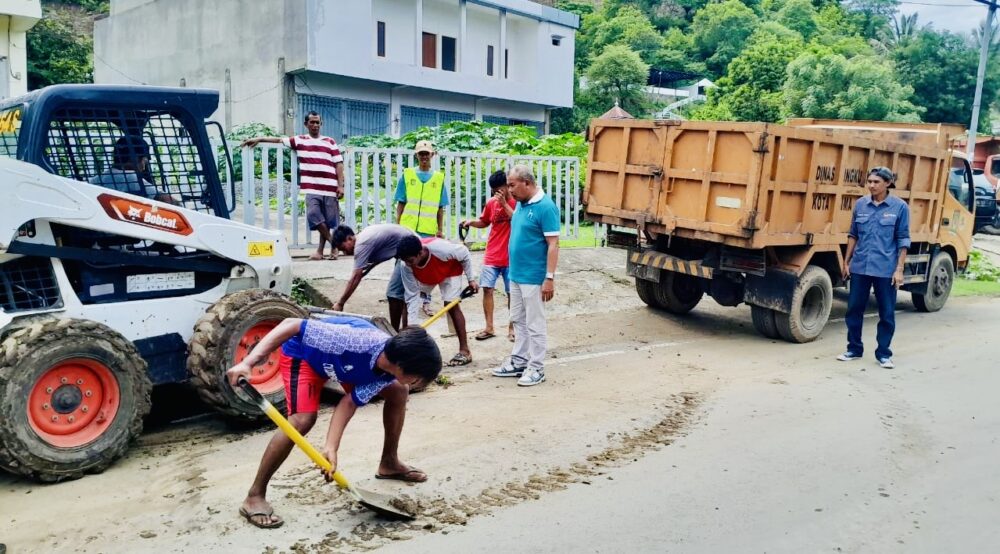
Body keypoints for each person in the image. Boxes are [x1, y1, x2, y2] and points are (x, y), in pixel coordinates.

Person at [226, 316, 442, 529]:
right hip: (306, 357)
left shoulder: (385, 374)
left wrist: (330, 447)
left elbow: (348, 403)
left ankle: (389, 463)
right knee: (302, 420)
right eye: (417, 379)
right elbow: (291, 325)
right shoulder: (356, 340)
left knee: (398, 391)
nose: (417, 384)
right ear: (401, 366)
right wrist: (248, 363)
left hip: (345, 367)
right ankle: (254, 496)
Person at [242, 112, 345, 261]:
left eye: (317, 122)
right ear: (306, 124)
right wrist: (259, 138)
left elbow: (339, 164)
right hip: (312, 187)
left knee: (327, 221)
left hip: (329, 187)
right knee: (314, 215)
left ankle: (320, 251)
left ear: (320, 124)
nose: (315, 125)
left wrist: (340, 186)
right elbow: (278, 140)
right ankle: (334, 245)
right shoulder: (300, 140)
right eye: (312, 122)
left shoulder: (329, 141)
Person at [492, 165, 560, 387]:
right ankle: (519, 361)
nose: (509, 190)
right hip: (517, 275)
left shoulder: (545, 207)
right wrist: (504, 206)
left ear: (527, 183)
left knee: (534, 324)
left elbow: (553, 244)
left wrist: (549, 277)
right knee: (518, 320)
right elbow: (520, 222)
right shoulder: (522, 204)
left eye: (512, 185)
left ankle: (537, 367)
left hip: (533, 277)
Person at [838, 166, 911, 369]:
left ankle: (884, 354)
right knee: (853, 309)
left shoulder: (899, 208)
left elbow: (903, 239)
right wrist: (847, 261)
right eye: (869, 181)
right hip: (860, 266)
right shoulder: (861, 204)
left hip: (885, 269)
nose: (871, 185)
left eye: (876, 182)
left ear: (888, 183)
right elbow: (853, 234)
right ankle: (854, 349)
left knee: (886, 313)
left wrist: (899, 269)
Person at [395, 235, 479, 366]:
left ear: (420, 253)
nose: (408, 264)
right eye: (405, 261)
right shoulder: (405, 265)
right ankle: (408, 347)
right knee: (407, 304)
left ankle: (465, 351)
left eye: (410, 260)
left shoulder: (442, 249)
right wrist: (413, 327)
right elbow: (412, 297)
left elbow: (464, 253)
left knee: (451, 306)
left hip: (450, 269)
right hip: (427, 275)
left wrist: (471, 279)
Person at [460, 169, 516, 342]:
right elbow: (485, 221)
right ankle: (489, 327)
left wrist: (505, 204)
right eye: (493, 190)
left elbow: (519, 221)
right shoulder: (491, 203)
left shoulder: (517, 203)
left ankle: (512, 328)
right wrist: (471, 222)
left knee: (512, 293)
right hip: (492, 254)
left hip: (511, 257)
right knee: (487, 290)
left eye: (499, 189)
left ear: (507, 186)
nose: (496, 193)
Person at [395, 140, 450, 316]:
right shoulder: (408, 175)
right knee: (404, 264)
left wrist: (440, 229)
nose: (424, 156)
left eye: (427, 153)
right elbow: (401, 203)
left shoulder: (438, 178)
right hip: (407, 228)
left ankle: (425, 301)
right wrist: (398, 224)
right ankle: (405, 297)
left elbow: (440, 207)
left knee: (425, 267)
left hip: (427, 230)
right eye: (421, 153)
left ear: (432, 155)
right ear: (416, 155)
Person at [331, 223, 418, 330]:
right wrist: (366, 271)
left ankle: (395, 333)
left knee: (394, 293)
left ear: (349, 238)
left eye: (343, 248)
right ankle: (405, 331)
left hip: (410, 250)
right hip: (407, 246)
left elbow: (355, 278)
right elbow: (378, 257)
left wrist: (340, 303)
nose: (345, 253)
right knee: (402, 293)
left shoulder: (361, 244)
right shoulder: (363, 238)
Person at [90, 136, 179, 205]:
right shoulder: (132, 179)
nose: (144, 168)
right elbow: (168, 201)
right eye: (145, 161)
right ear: (135, 158)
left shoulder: (95, 180)